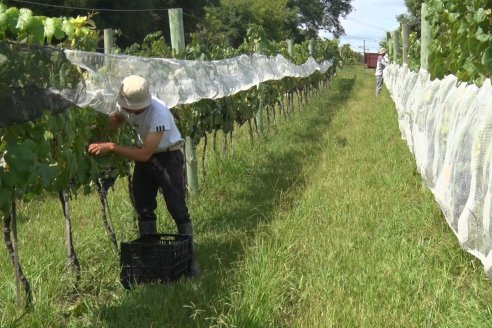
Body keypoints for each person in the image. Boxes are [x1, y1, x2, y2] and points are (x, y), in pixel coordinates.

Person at [88, 75, 198, 276]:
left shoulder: (160, 114)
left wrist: (112, 147)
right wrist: (108, 124)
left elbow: (145, 153)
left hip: (167, 157)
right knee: (143, 205)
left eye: (133, 108)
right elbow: (119, 119)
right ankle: (150, 257)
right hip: (145, 156)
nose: (129, 110)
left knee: (177, 207)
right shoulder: (128, 104)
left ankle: (190, 260)